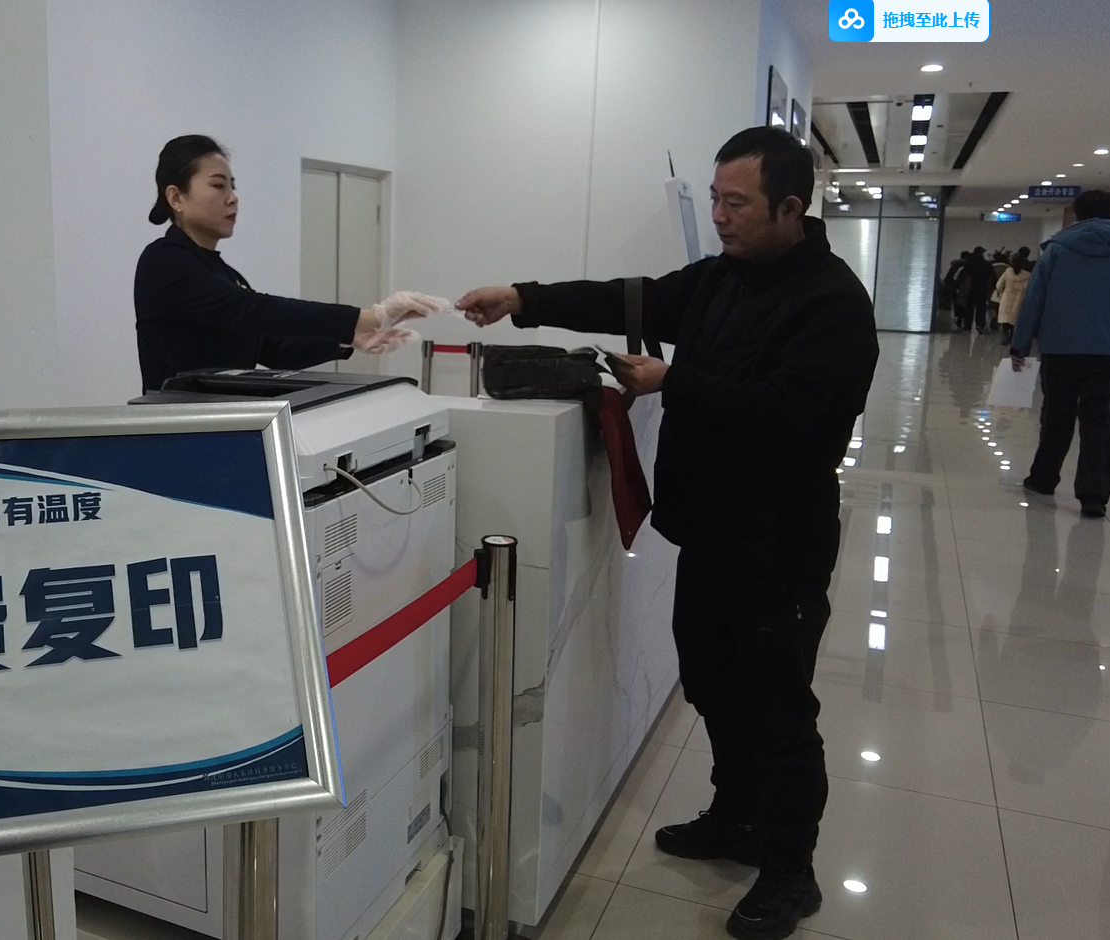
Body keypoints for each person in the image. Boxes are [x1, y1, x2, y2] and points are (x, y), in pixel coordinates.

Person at [457, 126, 878, 940]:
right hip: (711, 534)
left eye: (737, 203)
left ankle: (790, 870)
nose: (718, 215)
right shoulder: (723, 278)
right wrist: (524, 299)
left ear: (791, 208)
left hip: (778, 545)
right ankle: (737, 815)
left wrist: (675, 381)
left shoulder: (832, 303)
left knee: (778, 712)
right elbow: (635, 299)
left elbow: (789, 412)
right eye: (715, 199)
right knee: (713, 684)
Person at [134, 135, 437, 392]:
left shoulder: (224, 273)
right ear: (176, 198)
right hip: (177, 427)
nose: (233, 198)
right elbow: (253, 310)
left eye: (232, 186)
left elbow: (273, 349)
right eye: (218, 186)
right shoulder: (163, 261)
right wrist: (370, 317)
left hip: (225, 423)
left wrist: (350, 340)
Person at [1011, 189, 1110, 518]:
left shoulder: (1057, 251)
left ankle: (1043, 479)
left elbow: (1034, 300)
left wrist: (1021, 344)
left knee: (1056, 416)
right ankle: (1093, 496)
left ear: (1076, 214)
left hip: (1061, 349)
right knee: (1100, 422)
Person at [993, 252, 1031, 346]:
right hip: (1019, 299)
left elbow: (998, 286)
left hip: (1006, 297)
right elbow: (1028, 289)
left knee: (1005, 318)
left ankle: (1005, 336)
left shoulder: (1007, 272)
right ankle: (1014, 337)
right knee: (1015, 319)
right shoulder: (1028, 275)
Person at [959, 247, 996, 334]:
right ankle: (980, 325)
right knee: (981, 308)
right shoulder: (987, 265)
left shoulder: (969, 264)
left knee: (969, 309)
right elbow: (993, 278)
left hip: (970, 289)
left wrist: (959, 288)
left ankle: (967, 327)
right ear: (982, 253)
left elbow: (962, 276)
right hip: (982, 289)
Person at [941, 250, 971, 329]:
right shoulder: (964, 266)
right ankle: (960, 320)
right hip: (960, 288)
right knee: (962, 304)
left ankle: (957, 319)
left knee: (956, 304)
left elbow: (948, 276)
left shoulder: (955, 265)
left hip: (952, 287)